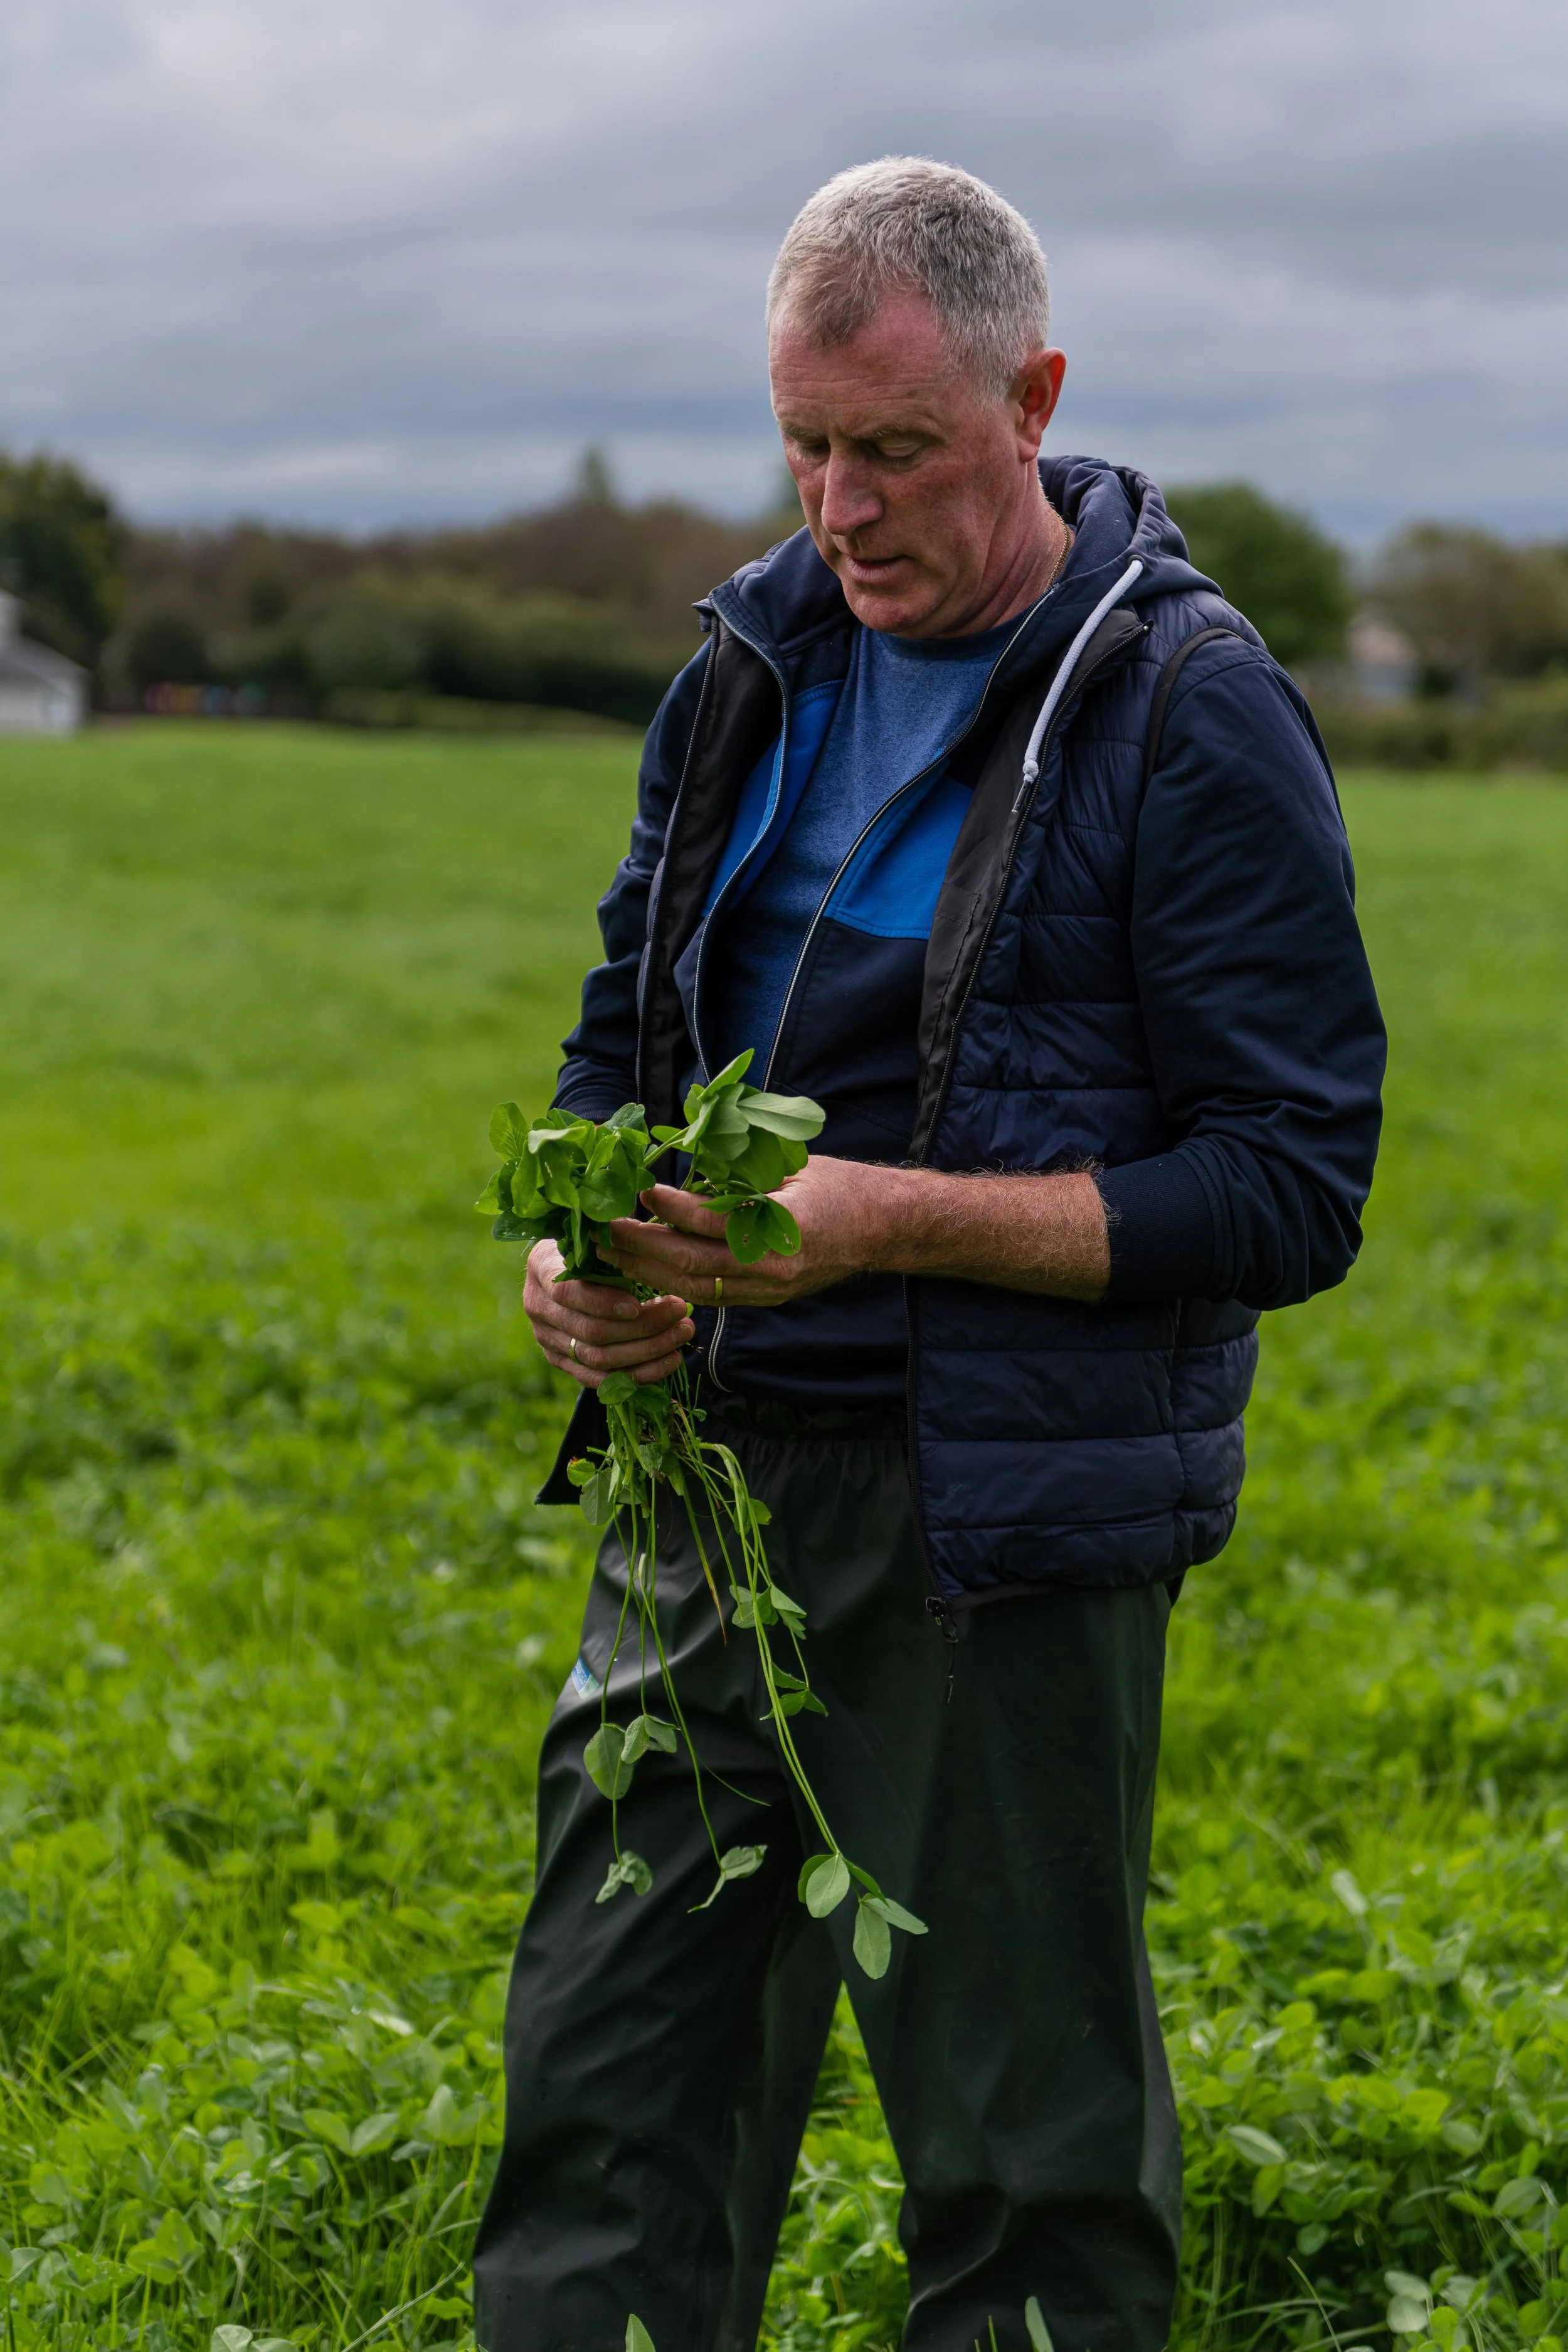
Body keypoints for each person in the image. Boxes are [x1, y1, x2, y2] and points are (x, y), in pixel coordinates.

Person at [472, 159, 1385, 2352]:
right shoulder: (745, 670)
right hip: (706, 1490)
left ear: (1031, 395)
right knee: (607, 2094)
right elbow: (623, 1043)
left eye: (895, 448)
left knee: (1021, 2156)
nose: (841, 506)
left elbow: (1288, 1183)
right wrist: (589, 1247)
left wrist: (890, 1222)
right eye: (803, 443)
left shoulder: (1184, 710)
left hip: (995, 1516)